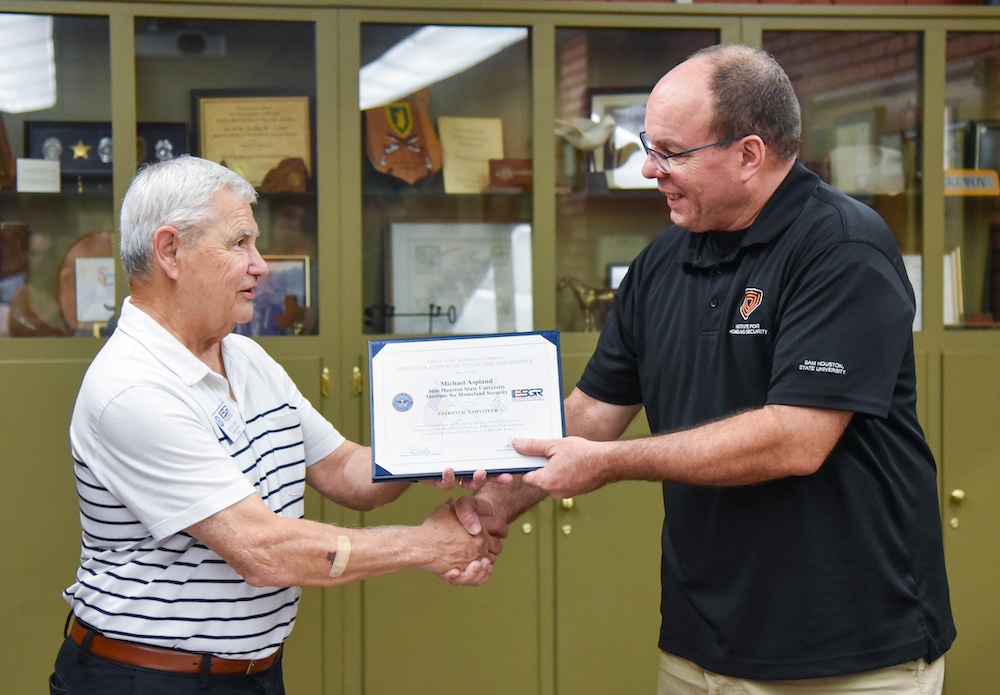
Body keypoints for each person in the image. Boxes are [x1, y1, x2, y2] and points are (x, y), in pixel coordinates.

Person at [459, 44, 955, 694]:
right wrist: (496, 500)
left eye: (671, 152)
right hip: (700, 645)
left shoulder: (841, 246)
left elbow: (796, 438)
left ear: (750, 153)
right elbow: (590, 413)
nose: (648, 168)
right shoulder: (662, 263)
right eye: (648, 145)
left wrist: (607, 464)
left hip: (847, 649)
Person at [50, 155, 505, 695]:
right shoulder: (132, 389)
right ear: (170, 251)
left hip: (252, 675)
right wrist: (431, 546)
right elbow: (262, 550)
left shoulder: (245, 358)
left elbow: (342, 469)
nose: (261, 264)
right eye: (239, 242)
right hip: (145, 679)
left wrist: (430, 446)